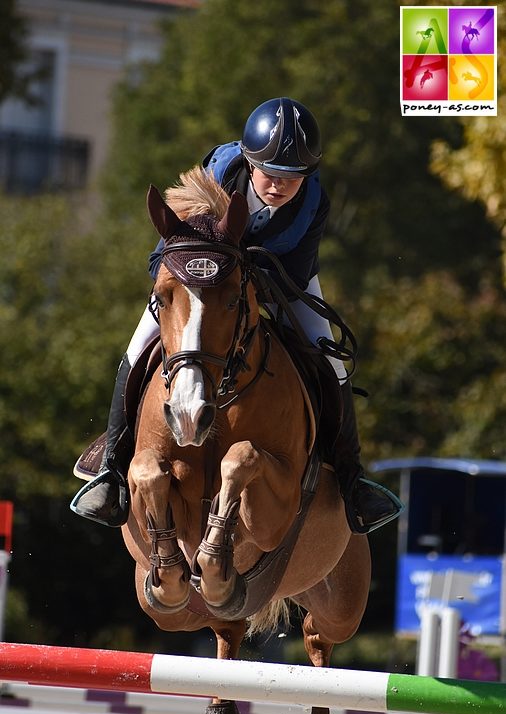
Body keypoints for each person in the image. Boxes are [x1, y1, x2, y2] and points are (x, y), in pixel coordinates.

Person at [71, 97, 400, 532]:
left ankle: (353, 479)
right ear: (249, 161)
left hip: (280, 280)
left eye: (293, 177)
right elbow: (167, 253)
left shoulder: (314, 200)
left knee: (331, 358)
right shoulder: (222, 171)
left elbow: (296, 272)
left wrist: (246, 281)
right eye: (270, 173)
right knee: (138, 348)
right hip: (198, 280)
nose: (280, 186)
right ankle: (112, 468)